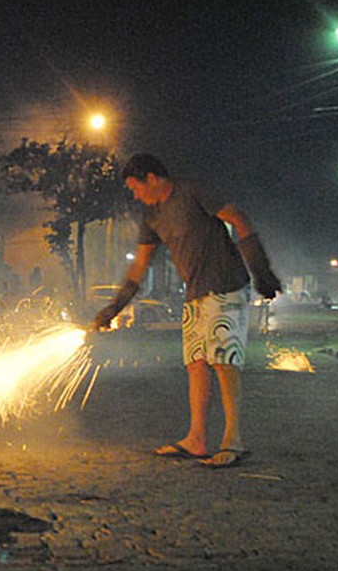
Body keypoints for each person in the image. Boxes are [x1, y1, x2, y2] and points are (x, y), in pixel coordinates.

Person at [94, 153, 281, 469]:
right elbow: (140, 265)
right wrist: (114, 307)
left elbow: (239, 219)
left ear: (152, 178)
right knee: (196, 363)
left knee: (224, 362)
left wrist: (260, 269)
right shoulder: (152, 216)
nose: (135, 195)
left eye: (136, 187)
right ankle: (197, 440)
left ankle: (233, 440)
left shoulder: (192, 192)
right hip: (194, 294)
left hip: (226, 285)